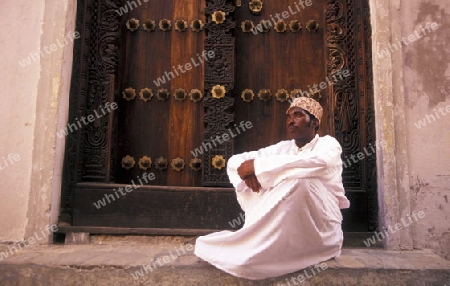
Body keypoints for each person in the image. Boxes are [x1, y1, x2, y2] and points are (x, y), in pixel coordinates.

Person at [194, 97, 350, 280]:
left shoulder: (328, 144)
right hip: (288, 227)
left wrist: (259, 168)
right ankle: (258, 246)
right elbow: (236, 161)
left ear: (314, 122)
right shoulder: (283, 148)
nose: (291, 120)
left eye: (298, 115)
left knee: (300, 180)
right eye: (289, 116)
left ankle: (276, 249)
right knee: (290, 177)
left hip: (322, 225)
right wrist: (253, 171)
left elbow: (318, 163)